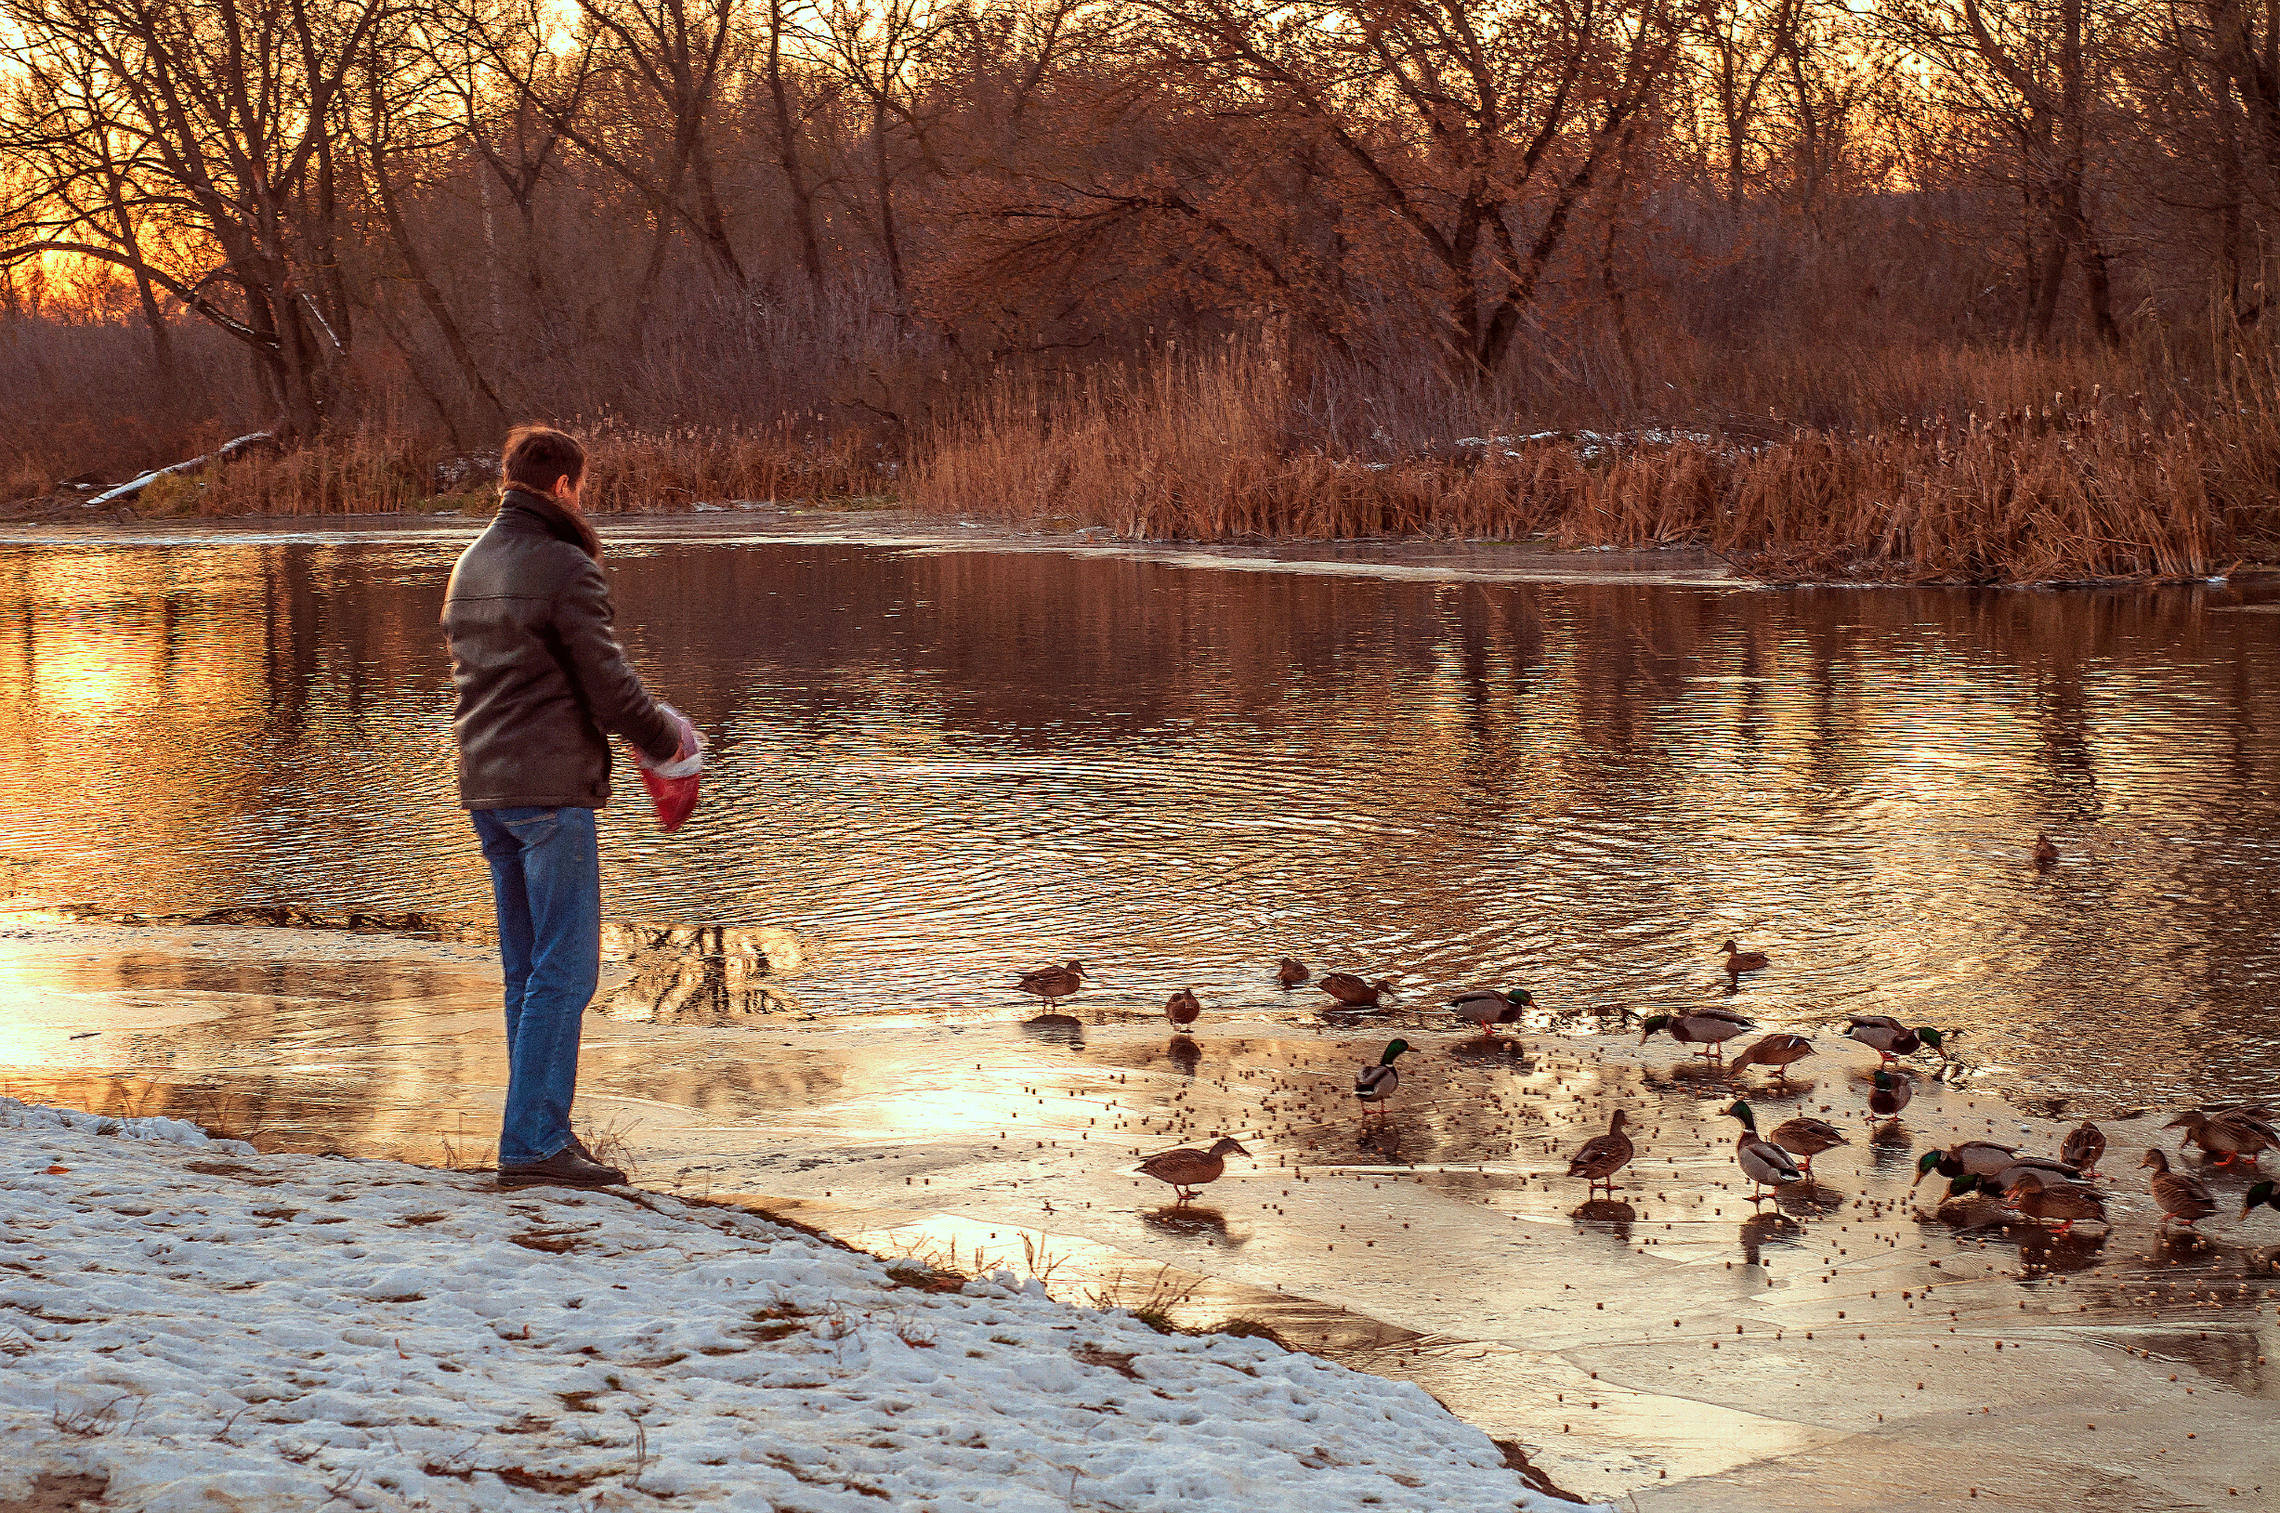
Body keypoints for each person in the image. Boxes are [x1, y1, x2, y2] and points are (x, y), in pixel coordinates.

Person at [441, 425, 691, 1188]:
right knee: (567, 968)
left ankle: (532, 1134)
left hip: (488, 789)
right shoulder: (564, 564)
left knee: (528, 968)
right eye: (582, 488)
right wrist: (669, 741)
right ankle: (536, 1142)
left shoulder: (470, 561)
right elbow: (609, 685)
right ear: (563, 487)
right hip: (550, 794)